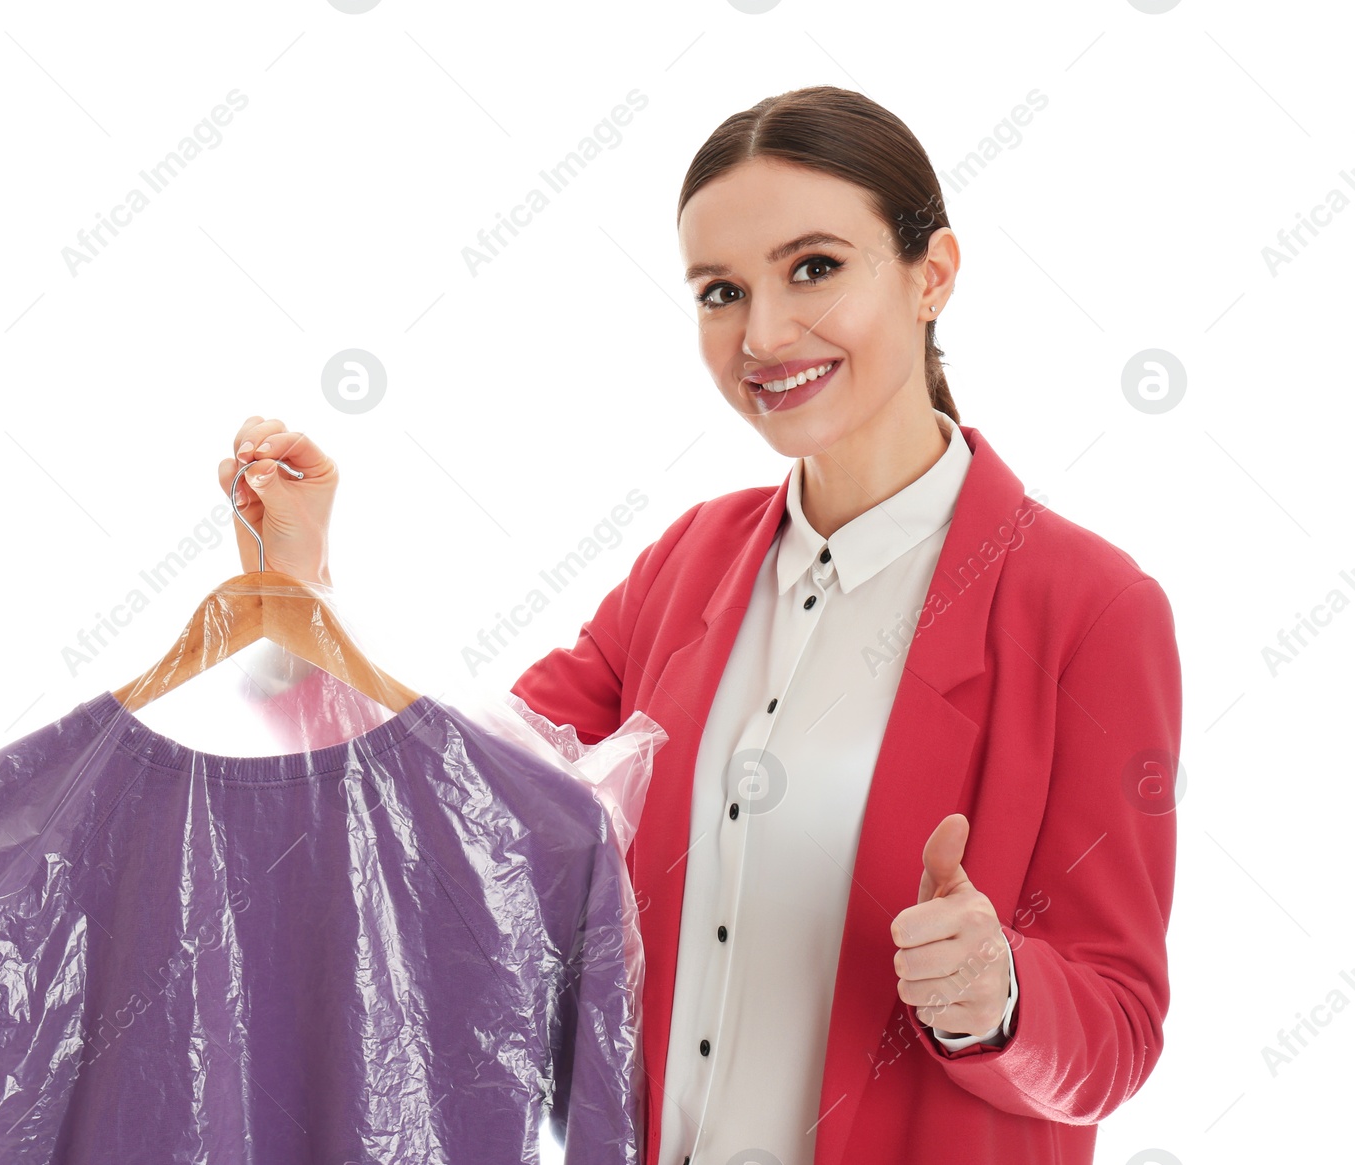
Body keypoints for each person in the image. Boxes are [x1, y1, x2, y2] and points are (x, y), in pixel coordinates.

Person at [218, 85, 1181, 1165]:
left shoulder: (1091, 609)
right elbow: (456, 809)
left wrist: (996, 992)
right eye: (721, 291)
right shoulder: (690, 563)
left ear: (932, 274)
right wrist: (292, 603)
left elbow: (1119, 1026)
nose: (763, 334)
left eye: (813, 266)